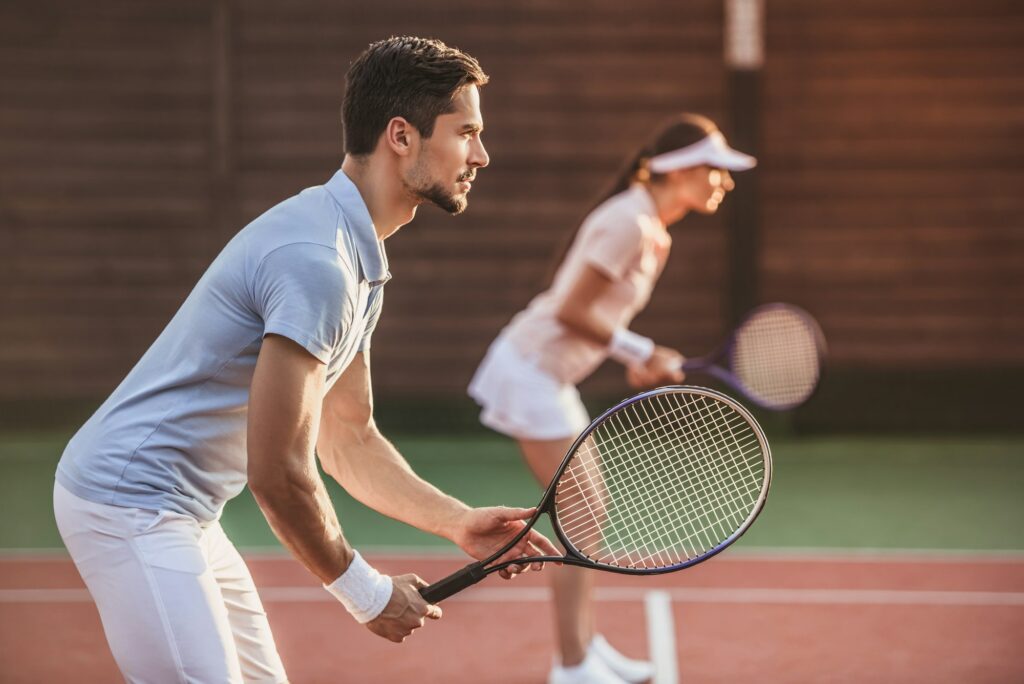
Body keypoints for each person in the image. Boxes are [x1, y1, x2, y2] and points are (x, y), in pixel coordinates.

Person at [53, 36, 559, 683]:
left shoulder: (353, 253)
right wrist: (368, 593)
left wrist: (457, 521)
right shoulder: (317, 261)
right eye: (467, 133)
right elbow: (278, 472)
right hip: (128, 505)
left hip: (185, 510)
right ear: (401, 136)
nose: (482, 155)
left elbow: (347, 437)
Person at [469, 113, 756, 684]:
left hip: (551, 377)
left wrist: (632, 356)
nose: (723, 181)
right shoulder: (630, 221)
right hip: (529, 372)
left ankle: (583, 650)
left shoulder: (649, 225)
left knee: (586, 517)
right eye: (714, 170)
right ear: (677, 172)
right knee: (582, 517)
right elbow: (569, 310)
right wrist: (641, 350)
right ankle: (573, 667)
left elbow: (593, 318)